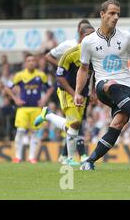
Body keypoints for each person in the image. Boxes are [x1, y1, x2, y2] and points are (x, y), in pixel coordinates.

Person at [76, 0, 130, 171]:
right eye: (111, 13)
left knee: (118, 124)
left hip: (126, 86)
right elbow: (83, 70)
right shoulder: (89, 41)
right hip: (103, 86)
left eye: (118, 13)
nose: (116, 16)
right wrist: (78, 92)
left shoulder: (126, 36)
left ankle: (90, 161)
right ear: (102, 14)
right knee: (109, 84)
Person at [34, 25, 96, 166]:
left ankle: (48, 115)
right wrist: (74, 94)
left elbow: (94, 73)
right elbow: (60, 77)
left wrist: (92, 91)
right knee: (74, 124)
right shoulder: (70, 53)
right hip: (67, 91)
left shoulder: (95, 54)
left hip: (82, 93)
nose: (92, 38)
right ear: (81, 37)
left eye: (94, 35)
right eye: (88, 35)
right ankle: (69, 158)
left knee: (73, 126)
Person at [4, 54, 54, 163]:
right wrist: (15, 99)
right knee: (21, 131)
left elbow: (50, 88)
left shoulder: (41, 75)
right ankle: (18, 156)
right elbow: (7, 87)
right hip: (23, 108)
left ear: (35, 62)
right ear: (25, 63)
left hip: (36, 108)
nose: (31, 62)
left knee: (35, 133)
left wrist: (44, 99)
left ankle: (32, 157)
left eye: (33, 60)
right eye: (28, 60)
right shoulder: (19, 75)